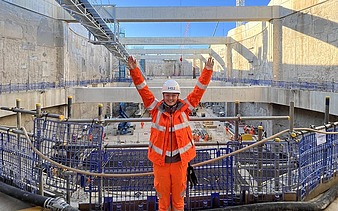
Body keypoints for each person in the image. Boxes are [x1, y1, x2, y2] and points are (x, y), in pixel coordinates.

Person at [127, 55, 214, 211]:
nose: (171, 98)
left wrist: (207, 71)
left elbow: (199, 90)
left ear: (178, 96)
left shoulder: (185, 108)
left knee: (179, 200)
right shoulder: (155, 109)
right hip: (161, 163)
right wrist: (134, 70)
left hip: (180, 163)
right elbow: (142, 89)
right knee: (163, 201)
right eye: (168, 95)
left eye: (173, 95)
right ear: (163, 96)